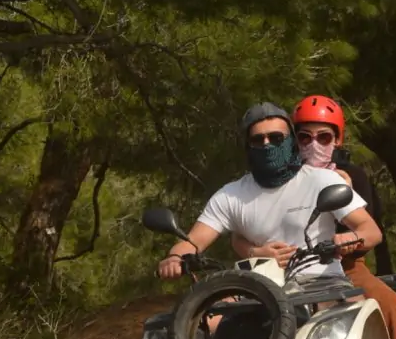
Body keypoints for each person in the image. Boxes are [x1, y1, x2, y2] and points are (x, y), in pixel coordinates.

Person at [232, 95, 396, 339]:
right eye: (304, 137)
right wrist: (256, 252)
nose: (313, 144)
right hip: (275, 272)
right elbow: (238, 235)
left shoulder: (352, 176)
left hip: (344, 268)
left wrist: (345, 232)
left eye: (323, 137)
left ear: (338, 139)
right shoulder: (273, 178)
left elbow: (368, 229)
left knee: (388, 302)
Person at [157, 101, 384, 297]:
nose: (267, 145)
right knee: (208, 324)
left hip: (322, 285)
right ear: (247, 146)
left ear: (291, 142)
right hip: (259, 293)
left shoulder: (323, 180)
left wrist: (347, 240)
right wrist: (175, 258)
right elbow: (193, 241)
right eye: (258, 140)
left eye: (276, 138)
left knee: (357, 320)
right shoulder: (229, 195)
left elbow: (371, 231)